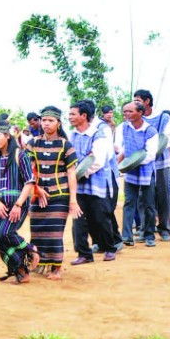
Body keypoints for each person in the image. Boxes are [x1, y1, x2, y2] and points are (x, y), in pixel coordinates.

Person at [25, 106, 81, 280]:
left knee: (55, 232)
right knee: (37, 231)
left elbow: (72, 173)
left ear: (58, 123)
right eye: (44, 120)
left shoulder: (66, 145)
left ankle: (56, 268)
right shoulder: (33, 143)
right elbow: (28, 170)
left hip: (60, 195)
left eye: (50, 120)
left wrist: (73, 200)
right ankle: (40, 264)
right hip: (37, 194)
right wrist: (36, 189)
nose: (46, 123)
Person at [0, 120, 40, 283]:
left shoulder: (19, 155)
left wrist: (18, 205)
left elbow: (29, 182)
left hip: (18, 203)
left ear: (7, 136)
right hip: (0, 204)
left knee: (5, 233)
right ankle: (22, 272)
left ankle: (31, 250)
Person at [68, 101, 118, 264]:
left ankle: (109, 248)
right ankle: (84, 253)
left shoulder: (98, 135)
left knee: (101, 218)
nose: (70, 117)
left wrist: (78, 172)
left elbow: (97, 160)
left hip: (96, 184)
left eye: (73, 114)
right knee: (78, 221)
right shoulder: (72, 135)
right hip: (78, 186)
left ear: (84, 116)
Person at [114, 101, 159, 247]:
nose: (126, 114)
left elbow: (151, 155)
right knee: (129, 203)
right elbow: (124, 147)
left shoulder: (150, 131)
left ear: (140, 113)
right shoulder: (124, 127)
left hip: (146, 171)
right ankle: (126, 235)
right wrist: (118, 162)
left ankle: (149, 235)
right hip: (130, 171)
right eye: (125, 111)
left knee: (149, 205)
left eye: (129, 111)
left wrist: (132, 162)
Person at [134, 89, 170, 241]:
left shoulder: (164, 117)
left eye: (137, 100)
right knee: (143, 197)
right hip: (144, 164)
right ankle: (145, 228)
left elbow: (166, 138)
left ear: (147, 101)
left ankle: (164, 229)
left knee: (163, 195)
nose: (135, 103)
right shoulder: (138, 118)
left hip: (162, 162)